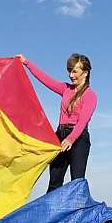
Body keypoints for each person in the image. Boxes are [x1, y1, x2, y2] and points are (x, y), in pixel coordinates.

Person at [16, 53, 97, 192]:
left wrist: (71, 139)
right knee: (54, 182)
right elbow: (45, 79)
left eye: (75, 71)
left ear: (85, 72)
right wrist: (26, 62)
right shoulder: (66, 89)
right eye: (69, 71)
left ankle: (76, 213)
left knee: (76, 183)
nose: (71, 75)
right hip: (60, 135)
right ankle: (49, 213)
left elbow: (83, 121)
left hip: (78, 139)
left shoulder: (90, 95)